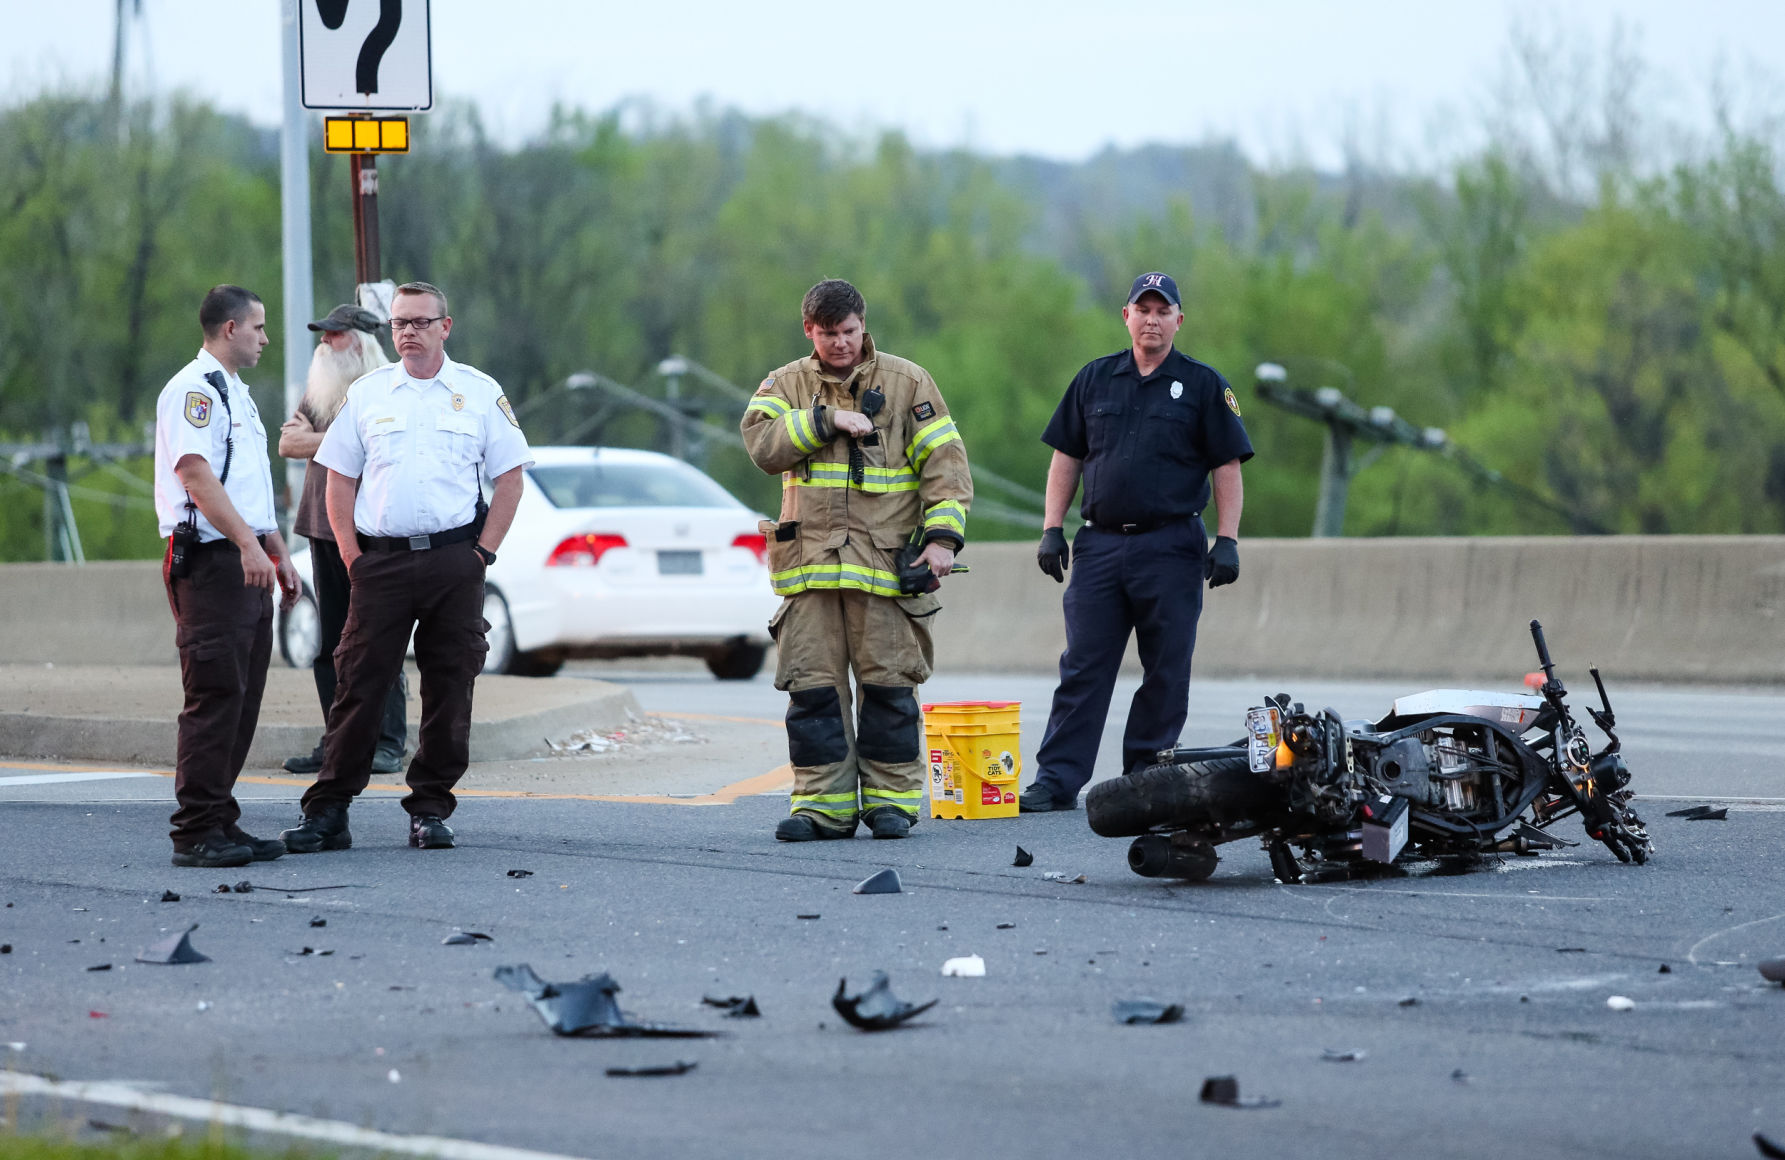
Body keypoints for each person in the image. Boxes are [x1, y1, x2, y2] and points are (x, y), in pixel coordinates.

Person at [278, 281, 533, 853]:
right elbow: (338, 479)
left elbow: (511, 478)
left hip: (454, 560)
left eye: (420, 322)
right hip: (382, 564)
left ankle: (430, 808)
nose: (408, 332)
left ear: (446, 326)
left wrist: (481, 555)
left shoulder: (479, 392)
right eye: (398, 323)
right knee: (357, 686)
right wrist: (352, 558)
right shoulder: (369, 394)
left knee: (450, 687)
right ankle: (329, 811)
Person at [742, 278, 973, 842]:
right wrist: (824, 421)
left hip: (886, 569)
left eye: (848, 332)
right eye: (828, 334)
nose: (840, 343)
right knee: (813, 692)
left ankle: (892, 803)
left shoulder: (908, 382)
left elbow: (945, 466)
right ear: (809, 331)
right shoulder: (786, 383)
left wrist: (942, 540)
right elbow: (761, 444)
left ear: (863, 325)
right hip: (811, 572)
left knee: (890, 690)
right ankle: (822, 807)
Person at [1019, 271, 1252, 812]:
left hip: (1170, 546)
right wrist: (1052, 528)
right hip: (1099, 547)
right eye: (1142, 308)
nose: (1151, 318)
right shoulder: (1095, 379)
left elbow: (1227, 464)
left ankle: (1147, 779)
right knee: (1082, 666)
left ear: (1178, 319)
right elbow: (1066, 457)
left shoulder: (1202, 384)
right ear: (1126, 316)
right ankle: (1056, 780)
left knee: (1166, 668)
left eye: (1162, 309)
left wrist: (1228, 539)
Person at [152, 284, 302, 867]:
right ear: (230, 328)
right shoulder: (193, 390)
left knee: (242, 694)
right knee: (214, 693)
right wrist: (246, 545)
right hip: (212, 560)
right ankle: (194, 832)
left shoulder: (235, 392)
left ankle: (219, 818)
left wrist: (274, 548)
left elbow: (245, 484)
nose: (265, 337)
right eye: (259, 327)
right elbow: (196, 476)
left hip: (247, 557)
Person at [278, 304, 409, 777]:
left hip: (373, 531)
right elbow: (288, 444)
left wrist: (323, 437)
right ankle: (338, 741)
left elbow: (380, 442)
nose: (323, 344)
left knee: (379, 638)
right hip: (321, 526)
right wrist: (342, 437)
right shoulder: (321, 391)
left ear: (359, 341)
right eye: (323, 335)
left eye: (333, 335)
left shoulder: (389, 390)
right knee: (330, 643)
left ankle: (389, 741)